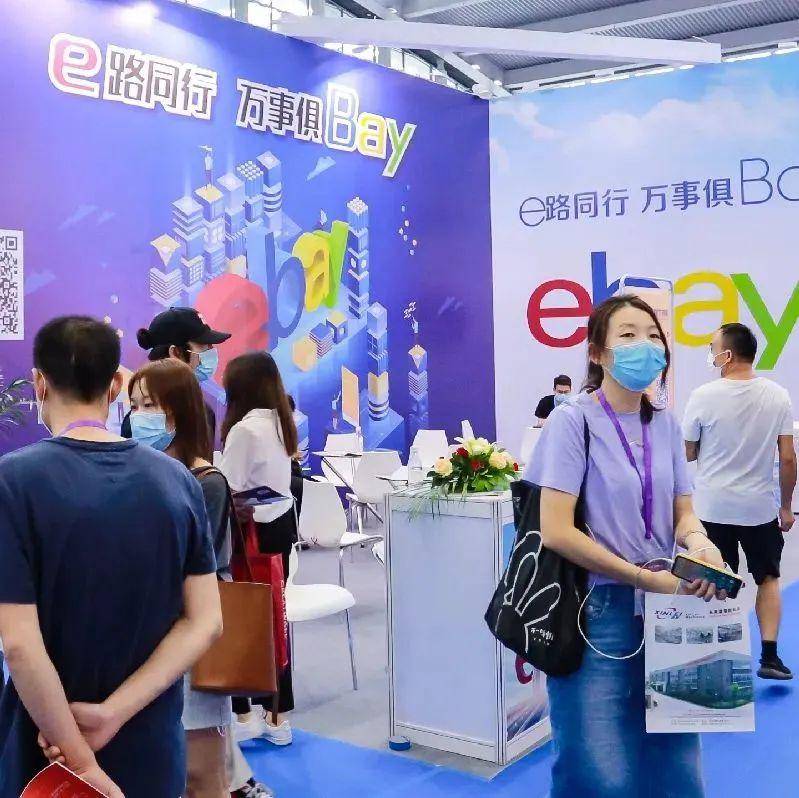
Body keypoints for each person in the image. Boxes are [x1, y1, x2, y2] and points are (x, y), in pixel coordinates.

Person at [0, 316, 222, 798]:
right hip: (150, 744)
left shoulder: (13, 482)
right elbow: (205, 621)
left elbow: (19, 644)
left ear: (39, 383)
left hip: (48, 755)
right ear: (117, 385)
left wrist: (80, 763)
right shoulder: (178, 481)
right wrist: (113, 713)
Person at [526, 295, 727, 798]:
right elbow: (556, 530)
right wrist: (639, 577)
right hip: (596, 610)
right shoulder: (572, 421)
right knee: (597, 768)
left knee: (675, 760)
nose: (646, 345)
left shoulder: (665, 422)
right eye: (629, 335)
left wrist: (700, 543)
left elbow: (683, 512)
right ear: (597, 352)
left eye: (654, 336)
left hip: (669, 607)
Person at [128, 359, 232, 797]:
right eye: (135, 406)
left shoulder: (205, 482)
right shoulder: (140, 474)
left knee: (202, 773)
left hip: (192, 642)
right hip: (146, 641)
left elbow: (196, 568)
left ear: (178, 410)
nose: (139, 416)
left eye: (150, 405)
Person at [683, 323, 796, 680]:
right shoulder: (778, 395)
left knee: (713, 581)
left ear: (727, 355)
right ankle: (770, 657)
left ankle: (713, 659)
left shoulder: (702, 395)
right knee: (768, 578)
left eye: (712, 347)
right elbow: (788, 458)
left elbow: (688, 452)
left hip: (712, 507)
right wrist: (786, 506)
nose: (711, 354)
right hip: (758, 508)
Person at [220, 352, 298, 747]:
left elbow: (227, 487)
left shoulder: (245, 430)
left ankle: (244, 714)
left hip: (248, 537)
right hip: (277, 531)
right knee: (274, 622)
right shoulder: (282, 423)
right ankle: (277, 716)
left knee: (243, 622)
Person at [120, 306, 230, 439]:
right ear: (176, 352)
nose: (212, 351)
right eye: (204, 345)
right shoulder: (143, 423)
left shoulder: (203, 411)